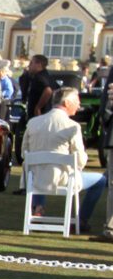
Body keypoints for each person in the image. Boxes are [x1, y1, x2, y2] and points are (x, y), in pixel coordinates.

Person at [24, 87, 104, 234]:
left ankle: (38, 207)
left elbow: (25, 153)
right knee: (101, 181)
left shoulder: (33, 123)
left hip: (35, 179)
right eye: (77, 102)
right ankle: (81, 220)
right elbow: (80, 160)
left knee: (40, 166)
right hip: (63, 179)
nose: (79, 106)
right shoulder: (72, 127)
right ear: (67, 103)